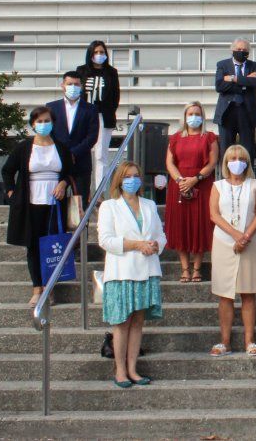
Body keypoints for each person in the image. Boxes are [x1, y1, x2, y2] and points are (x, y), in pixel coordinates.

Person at [97, 161, 165, 388]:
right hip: (121, 272)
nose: (132, 180)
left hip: (146, 269)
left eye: (136, 175)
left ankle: (133, 368)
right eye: (128, 176)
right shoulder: (109, 206)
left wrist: (155, 245)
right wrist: (137, 244)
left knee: (137, 322)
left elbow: (160, 235)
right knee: (122, 322)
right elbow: (105, 240)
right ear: (119, 179)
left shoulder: (149, 204)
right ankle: (120, 370)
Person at [2, 106, 74, 307]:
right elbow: (7, 171)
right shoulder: (24, 147)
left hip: (54, 205)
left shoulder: (61, 147)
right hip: (30, 203)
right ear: (33, 124)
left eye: (47, 121)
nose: (43, 125)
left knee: (52, 245)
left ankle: (50, 288)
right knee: (33, 246)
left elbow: (70, 172)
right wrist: (11, 193)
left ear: (53, 123)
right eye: (39, 121)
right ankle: (37, 288)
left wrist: (63, 182)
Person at [208, 145, 256, 357]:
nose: (237, 161)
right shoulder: (218, 186)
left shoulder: (255, 185)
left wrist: (246, 236)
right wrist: (235, 235)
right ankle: (225, 341)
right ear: (226, 162)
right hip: (224, 242)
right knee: (225, 294)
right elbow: (214, 214)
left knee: (248, 292)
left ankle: (249, 340)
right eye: (232, 158)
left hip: (250, 241)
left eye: (241, 158)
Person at [164, 102, 219, 283]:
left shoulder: (209, 137)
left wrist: (195, 179)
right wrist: (180, 180)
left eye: (197, 113)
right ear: (185, 116)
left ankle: (197, 268)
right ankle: (184, 268)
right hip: (178, 186)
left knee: (199, 225)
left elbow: (212, 163)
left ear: (202, 116)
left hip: (201, 185)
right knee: (181, 226)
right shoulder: (175, 137)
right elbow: (170, 162)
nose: (194, 117)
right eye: (190, 113)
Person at [47, 70, 99, 204]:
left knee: (81, 206)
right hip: (58, 163)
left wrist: (74, 153)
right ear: (62, 85)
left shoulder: (90, 109)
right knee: (57, 202)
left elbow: (92, 136)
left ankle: (82, 226)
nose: (73, 87)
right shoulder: (51, 107)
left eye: (76, 84)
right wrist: (63, 154)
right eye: (69, 84)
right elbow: (49, 134)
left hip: (81, 164)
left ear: (81, 86)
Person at [76, 40, 121, 190]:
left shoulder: (111, 72)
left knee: (101, 155)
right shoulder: (81, 71)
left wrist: (108, 112)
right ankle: (83, 190)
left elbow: (115, 96)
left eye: (102, 52)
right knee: (82, 152)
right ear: (90, 54)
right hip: (84, 116)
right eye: (96, 52)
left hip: (103, 116)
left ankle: (99, 192)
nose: (99, 55)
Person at [212, 37, 256, 162]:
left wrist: (233, 78)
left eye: (244, 49)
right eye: (238, 49)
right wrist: (245, 81)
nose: (241, 51)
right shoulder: (222, 65)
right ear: (232, 50)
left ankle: (248, 178)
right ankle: (227, 178)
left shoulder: (255, 66)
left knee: (248, 149)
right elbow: (219, 86)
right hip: (227, 112)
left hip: (248, 112)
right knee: (226, 149)